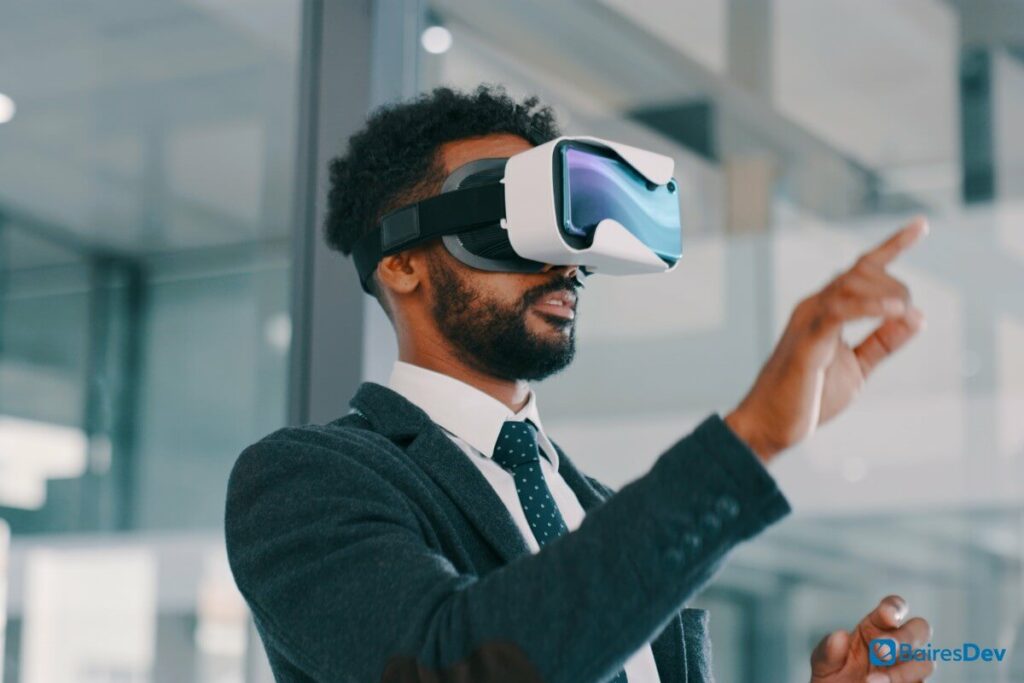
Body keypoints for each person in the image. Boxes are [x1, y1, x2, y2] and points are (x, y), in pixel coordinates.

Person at [225, 85, 935, 683]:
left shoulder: (598, 510)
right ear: (403, 261)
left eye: (569, 233)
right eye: (514, 221)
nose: (564, 263)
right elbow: (454, 663)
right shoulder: (303, 480)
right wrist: (750, 438)